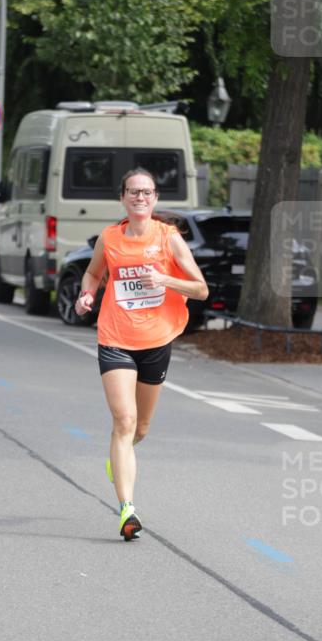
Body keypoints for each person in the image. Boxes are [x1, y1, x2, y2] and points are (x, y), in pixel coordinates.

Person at [74, 168, 208, 541]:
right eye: (133, 192)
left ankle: (119, 458)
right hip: (115, 337)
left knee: (141, 429)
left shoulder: (168, 239)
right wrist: (87, 296)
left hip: (156, 340)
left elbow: (200, 289)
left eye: (146, 192)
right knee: (124, 420)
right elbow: (92, 274)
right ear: (123, 198)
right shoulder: (110, 238)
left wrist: (165, 279)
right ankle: (127, 510)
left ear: (155, 199)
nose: (140, 198)